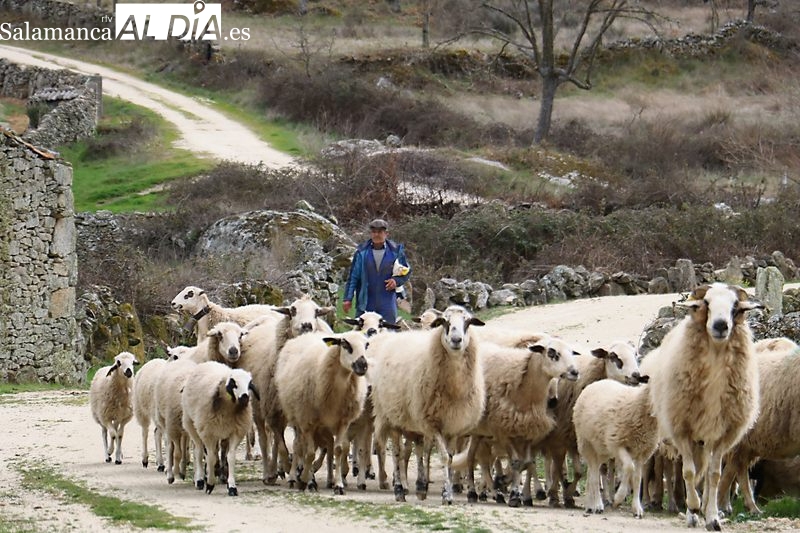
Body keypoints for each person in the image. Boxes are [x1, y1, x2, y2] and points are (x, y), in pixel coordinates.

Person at [343, 218, 410, 325]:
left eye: (380, 232)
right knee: (364, 331)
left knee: (388, 331)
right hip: (366, 301)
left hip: (387, 301)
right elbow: (353, 277)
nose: (376, 234)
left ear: (386, 233)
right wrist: (348, 298)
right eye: (374, 232)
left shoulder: (396, 251)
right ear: (370, 233)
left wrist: (396, 281)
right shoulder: (361, 253)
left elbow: (406, 271)